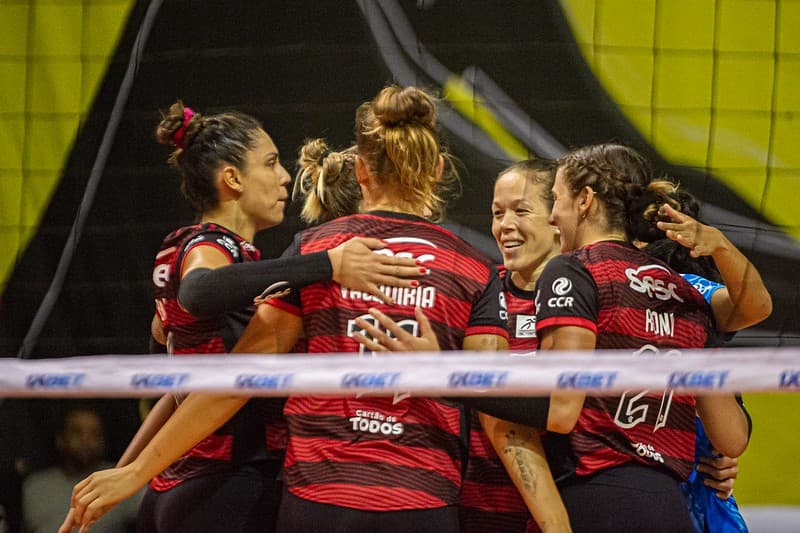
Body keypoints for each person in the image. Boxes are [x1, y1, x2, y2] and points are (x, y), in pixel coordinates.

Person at [63, 85, 510, 533]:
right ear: (437, 169)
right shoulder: (472, 267)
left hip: (313, 499)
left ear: (360, 169)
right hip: (415, 499)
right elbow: (499, 399)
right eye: (271, 163)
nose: (283, 177)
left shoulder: (310, 250)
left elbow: (232, 379)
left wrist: (136, 471)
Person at [533, 143, 750, 532]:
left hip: (594, 493)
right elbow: (733, 438)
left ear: (585, 200)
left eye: (556, 199)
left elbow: (560, 410)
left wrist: (466, 386)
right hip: (666, 501)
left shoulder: (575, 271)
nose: (551, 216)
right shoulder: (683, 291)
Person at [24, 404, 141, 533]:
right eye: (77, 432)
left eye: (95, 433)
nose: (86, 440)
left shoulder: (120, 479)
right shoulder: (35, 487)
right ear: (60, 439)